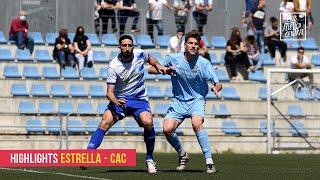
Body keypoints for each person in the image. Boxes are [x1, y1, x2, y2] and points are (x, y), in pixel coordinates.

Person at [85, 34, 170, 173]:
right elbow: (109, 93)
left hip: (139, 99)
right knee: (104, 122)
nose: (127, 48)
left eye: (129, 45)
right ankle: (88, 156)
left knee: (148, 122)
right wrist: (116, 101)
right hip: (120, 99)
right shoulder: (114, 66)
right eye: (124, 45)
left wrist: (159, 65)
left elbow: (150, 59)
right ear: (119, 47)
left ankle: (149, 159)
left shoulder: (140, 54)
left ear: (133, 47)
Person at [149, 30, 222, 173]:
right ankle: (183, 154)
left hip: (197, 99)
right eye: (191, 43)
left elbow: (217, 83)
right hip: (178, 101)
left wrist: (216, 88)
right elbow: (151, 69)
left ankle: (209, 161)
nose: (193, 46)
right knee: (167, 129)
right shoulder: (173, 58)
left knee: (196, 124)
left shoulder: (204, 63)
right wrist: (163, 69)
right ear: (185, 45)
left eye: (196, 44)